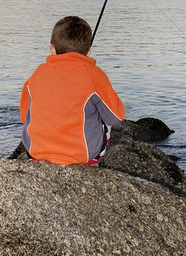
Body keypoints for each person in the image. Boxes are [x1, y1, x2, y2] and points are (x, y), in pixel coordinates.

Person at [20, 15, 124, 164]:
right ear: (88, 51)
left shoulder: (37, 73)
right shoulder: (94, 74)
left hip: (35, 153)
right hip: (81, 157)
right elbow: (115, 117)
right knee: (104, 115)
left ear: (52, 49)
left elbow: (25, 116)